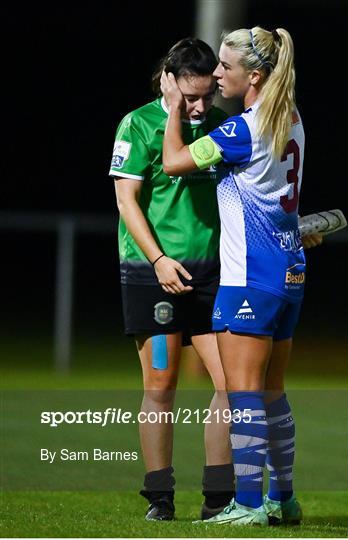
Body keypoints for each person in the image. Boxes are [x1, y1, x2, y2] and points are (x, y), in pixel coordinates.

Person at [162, 25, 309, 526]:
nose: (217, 73)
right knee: (272, 392)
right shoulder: (292, 119)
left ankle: (247, 504)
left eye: (225, 66)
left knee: (244, 391)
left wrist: (174, 107)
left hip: (249, 274)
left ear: (254, 74)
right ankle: (283, 500)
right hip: (289, 271)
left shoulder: (243, 128)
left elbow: (174, 161)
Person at [109, 38, 235, 522]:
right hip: (152, 274)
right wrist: (159, 259)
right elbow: (127, 203)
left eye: (207, 96)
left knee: (229, 383)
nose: (201, 105)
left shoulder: (220, 126)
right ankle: (159, 498)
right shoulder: (138, 124)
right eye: (191, 97)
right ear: (169, 80)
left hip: (210, 275)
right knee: (161, 384)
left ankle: (218, 499)